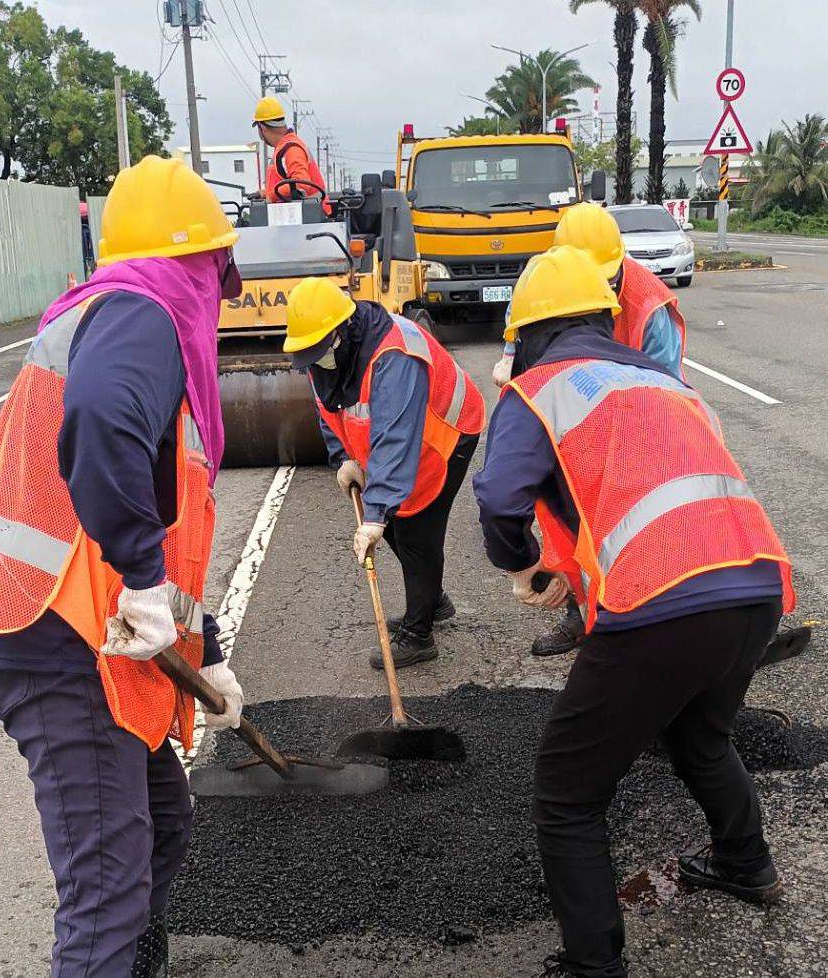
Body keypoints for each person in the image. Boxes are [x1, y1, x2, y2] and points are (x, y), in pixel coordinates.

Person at [474, 246, 795, 978]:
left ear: (524, 333)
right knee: (700, 738)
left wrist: (522, 566)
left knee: (565, 793)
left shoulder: (540, 387)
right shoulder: (661, 380)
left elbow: (498, 497)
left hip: (664, 605)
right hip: (752, 585)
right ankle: (746, 864)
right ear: (601, 317)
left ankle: (595, 965)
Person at [0, 156, 246, 978]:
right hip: (57, 638)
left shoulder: (113, 315)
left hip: (90, 630)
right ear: (196, 263)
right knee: (105, 885)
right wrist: (136, 577)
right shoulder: (139, 312)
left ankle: (136, 964)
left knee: (164, 821)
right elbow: (99, 424)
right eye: (215, 271)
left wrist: (213, 652)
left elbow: (173, 528)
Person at [493, 202, 687, 657]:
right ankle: (578, 611)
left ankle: (650, 607)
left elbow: (665, 387)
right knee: (564, 515)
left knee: (637, 522)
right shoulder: (544, 281)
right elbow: (517, 330)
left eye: (607, 276)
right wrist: (511, 360)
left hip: (632, 421)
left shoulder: (648, 304)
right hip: (571, 414)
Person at [284, 278, 485, 668]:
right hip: (404, 438)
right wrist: (342, 455)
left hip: (445, 431)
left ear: (339, 336)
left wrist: (375, 514)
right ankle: (431, 600)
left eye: (317, 353)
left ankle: (418, 635)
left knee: (416, 529)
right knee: (395, 525)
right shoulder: (323, 352)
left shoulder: (394, 356)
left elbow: (396, 439)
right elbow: (327, 405)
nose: (313, 362)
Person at [252, 95, 329, 209]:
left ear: (262, 127)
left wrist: (271, 196)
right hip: (305, 215)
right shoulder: (285, 147)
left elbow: (301, 182)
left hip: (313, 218)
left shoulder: (291, 149)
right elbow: (288, 185)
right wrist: (265, 193)